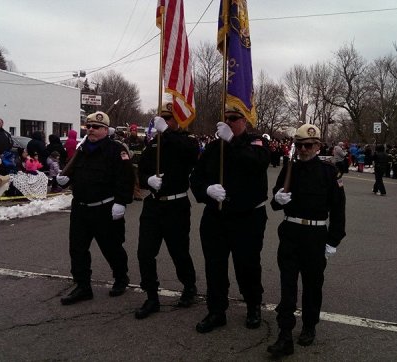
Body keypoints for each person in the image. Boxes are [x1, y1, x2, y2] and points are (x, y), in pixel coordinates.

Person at [266, 124, 346, 357]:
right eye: (299, 145)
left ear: (318, 146)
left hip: (315, 236)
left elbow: (338, 210)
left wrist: (333, 241)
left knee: (312, 286)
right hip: (290, 233)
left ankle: (309, 326)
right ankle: (284, 334)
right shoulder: (289, 168)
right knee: (287, 285)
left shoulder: (329, 172)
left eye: (308, 145)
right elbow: (276, 199)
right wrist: (277, 199)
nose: (303, 149)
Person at [189, 105, 270, 333]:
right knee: (214, 265)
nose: (229, 122)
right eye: (225, 119)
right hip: (216, 216)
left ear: (245, 121)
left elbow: (257, 164)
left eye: (234, 118)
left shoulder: (255, 143)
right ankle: (216, 310)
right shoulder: (214, 148)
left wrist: (233, 142)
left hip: (247, 217)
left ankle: (253, 306)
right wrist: (206, 190)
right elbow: (196, 177)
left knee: (247, 265)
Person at [56, 111, 134, 305]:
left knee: (111, 247)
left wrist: (121, 202)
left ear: (106, 130)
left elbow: (126, 178)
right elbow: (75, 173)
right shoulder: (82, 150)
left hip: (104, 209)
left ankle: (121, 278)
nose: (90, 129)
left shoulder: (116, 150)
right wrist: (65, 180)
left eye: (96, 127)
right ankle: (83, 286)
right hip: (81, 208)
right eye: (88, 126)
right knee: (78, 249)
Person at [133, 102, 200, 319]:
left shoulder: (185, 141)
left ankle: (189, 286)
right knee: (145, 252)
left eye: (170, 118)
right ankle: (151, 296)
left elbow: (191, 153)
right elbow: (141, 172)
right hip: (153, 205)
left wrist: (167, 132)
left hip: (176, 206)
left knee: (179, 252)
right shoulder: (153, 145)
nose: (165, 121)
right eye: (163, 117)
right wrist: (147, 180)